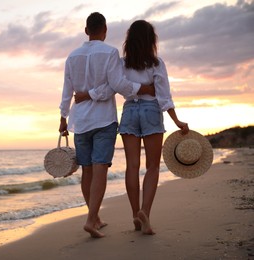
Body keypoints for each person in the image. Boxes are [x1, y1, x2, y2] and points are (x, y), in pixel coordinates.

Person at [75, 20, 189, 235]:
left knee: (132, 167)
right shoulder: (157, 63)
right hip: (150, 111)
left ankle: (136, 214)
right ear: (150, 40)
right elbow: (164, 96)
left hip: (129, 111)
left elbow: (114, 86)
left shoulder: (121, 63)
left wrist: (85, 95)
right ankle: (145, 211)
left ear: (130, 40)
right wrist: (177, 121)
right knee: (153, 166)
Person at [59, 13, 155, 238]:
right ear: (105, 30)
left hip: (80, 121)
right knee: (100, 167)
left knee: (87, 170)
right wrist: (144, 89)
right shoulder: (110, 53)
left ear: (86, 31)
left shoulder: (72, 56)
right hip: (103, 120)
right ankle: (92, 220)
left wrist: (63, 117)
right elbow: (117, 85)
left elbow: (67, 90)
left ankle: (96, 218)